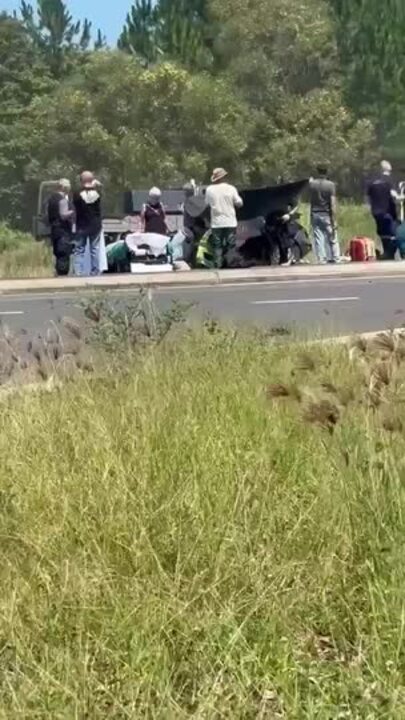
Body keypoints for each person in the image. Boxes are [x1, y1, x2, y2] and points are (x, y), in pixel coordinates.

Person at [205, 168, 243, 268]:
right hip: (230, 221)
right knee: (231, 243)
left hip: (216, 222)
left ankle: (218, 264)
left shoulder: (209, 189)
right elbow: (239, 203)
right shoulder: (231, 188)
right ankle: (231, 263)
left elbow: (207, 204)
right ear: (224, 177)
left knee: (217, 245)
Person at [366, 160, 398, 260]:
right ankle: (389, 254)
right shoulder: (389, 180)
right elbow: (394, 196)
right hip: (387, 211)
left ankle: (386, 253)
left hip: (376, 212)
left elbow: (368, 198)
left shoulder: (372, 182)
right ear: (389, 170)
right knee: (393, 234)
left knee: (383, 233)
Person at [73, 171, 103, 276]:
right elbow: (98, 187)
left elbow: (76, 204)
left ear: (81, 180)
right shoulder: (98, 193)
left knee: (79, 249)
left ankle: (78, 272)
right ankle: (95, 271)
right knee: (94, 249)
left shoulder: (77, 194)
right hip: (95, 224)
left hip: (82, 225)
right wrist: (94, 185)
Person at [309, 165, 340, 264]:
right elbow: (333, 203)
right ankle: (336, 257)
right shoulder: (330, 185)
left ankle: (322, 259)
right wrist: (334, 219)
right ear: (327, 172)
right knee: (332, 237)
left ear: (318, 172)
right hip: (326, 214)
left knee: (319, 238)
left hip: (315, 213)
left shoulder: (312, 184)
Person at [47, 178, 74, 276]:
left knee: (57, 254)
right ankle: (62, 277)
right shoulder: (62, 199)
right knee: (63, 254)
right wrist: (73, 211)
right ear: (64, 188)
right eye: (68, 187)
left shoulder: (52, 198)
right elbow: (63, 215)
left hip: (54, 229)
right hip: (63, 230)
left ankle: (58, 273)